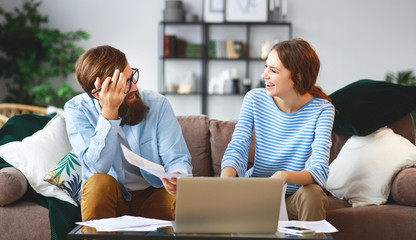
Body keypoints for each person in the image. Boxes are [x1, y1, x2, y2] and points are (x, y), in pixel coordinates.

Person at [64, 45, 192, 221]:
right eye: (123, 85)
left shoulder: (158, 104)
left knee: (187, 197)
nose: (134, 87)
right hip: (113, 198)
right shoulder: (77, 110)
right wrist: (109, 112)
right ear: (98, 94)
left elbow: (177, 159)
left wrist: (177, 177)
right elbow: (96, 168)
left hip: (154, 195)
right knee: (97, 183)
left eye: (132, 77)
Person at [220, 38, 335, 221]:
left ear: (297, 76)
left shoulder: (322, 109)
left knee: (313, 194)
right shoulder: (254, 99)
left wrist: (284, 176)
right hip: (256, 194)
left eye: (273, 71)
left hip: (293, 198)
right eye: (266, 67)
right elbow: (237, 148)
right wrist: (223, 185)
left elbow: (319, 168)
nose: (264, 75)